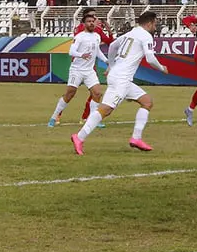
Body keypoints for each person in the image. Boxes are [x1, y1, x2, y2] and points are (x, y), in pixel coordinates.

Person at [71, 11, 168, 155]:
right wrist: (162, 68)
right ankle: (79, 137)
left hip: (121, 77)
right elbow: (150, 58)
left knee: (147, 102)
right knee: (105, 110)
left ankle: (136, 138)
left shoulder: (132, 33)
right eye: (155, 24)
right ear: (149, 23)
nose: (155, 27)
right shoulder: (146, 36)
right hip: (121, 79)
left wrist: (111, 65)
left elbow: (112, 46)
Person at [48, 12, 106, 127]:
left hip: (89, 71)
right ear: (84, 24)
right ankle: (54, 117)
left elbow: (97, 51)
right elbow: (71, 51)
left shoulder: (97, 36)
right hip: (77, 70)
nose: (91, 23)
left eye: (92, 21)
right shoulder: (79, 37)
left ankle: (92, 120)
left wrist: (107, 60)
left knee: (97, 93)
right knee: (70, 94)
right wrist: (81, 55)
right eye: (89, 21)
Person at [72, 9, 115, 125]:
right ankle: (57, 115)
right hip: (78, 65)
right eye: (92, 16)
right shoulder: (79, 29)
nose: (95, 18)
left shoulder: (97, 30)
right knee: (70, 92)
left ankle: (87, 117)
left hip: (90, 65)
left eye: (95, 16)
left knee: (95, 93)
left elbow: (109, 42)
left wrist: (109, 30)